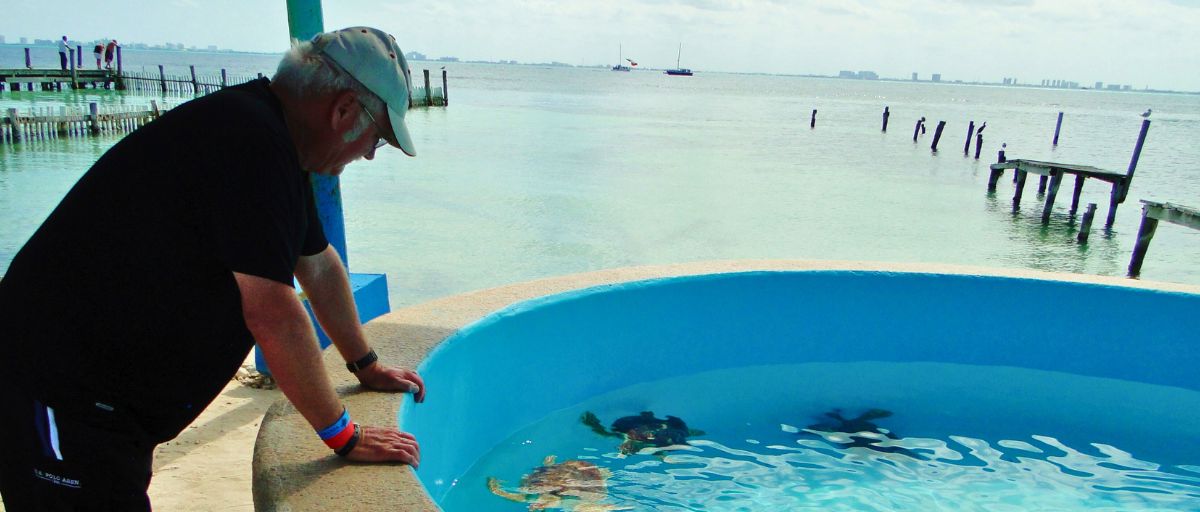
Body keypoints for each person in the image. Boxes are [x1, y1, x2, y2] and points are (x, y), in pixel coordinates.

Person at [0, 26, 423, 511]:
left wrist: (365, 365)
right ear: (343, 110)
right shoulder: (250, 143)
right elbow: (274, 314)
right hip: (62, 395)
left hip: (108, 408)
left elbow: (319, 264)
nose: (369, 152)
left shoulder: (274, 140)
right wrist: (343, 435)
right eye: (378, 135)